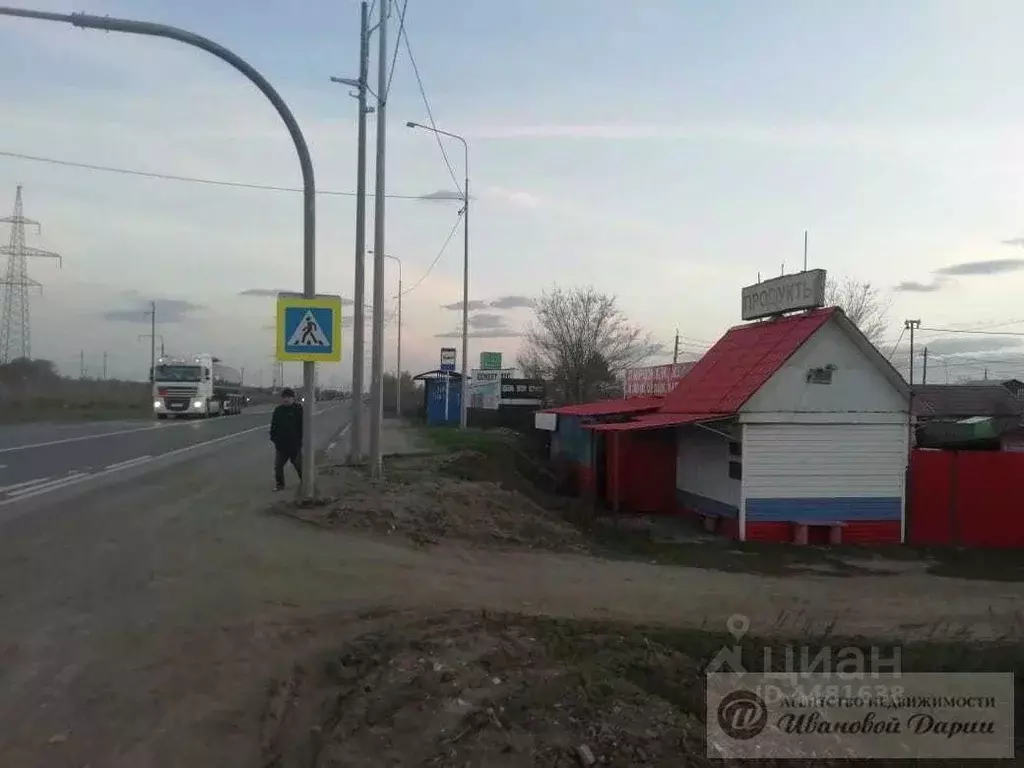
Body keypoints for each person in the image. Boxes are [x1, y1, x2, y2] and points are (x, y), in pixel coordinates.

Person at [270, 388, 303, 491]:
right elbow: (273, 427)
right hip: (281, 446)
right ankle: (280, 485)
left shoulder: (298, 409)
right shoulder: (278, 410)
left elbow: (303, 426)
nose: (286, 399)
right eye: (284, 397)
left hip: (294, 446)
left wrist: (299, 441)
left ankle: (306, 483)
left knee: (299, 466)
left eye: (288, 397)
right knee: (278, 466)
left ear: (293, 398)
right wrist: (274, 439)